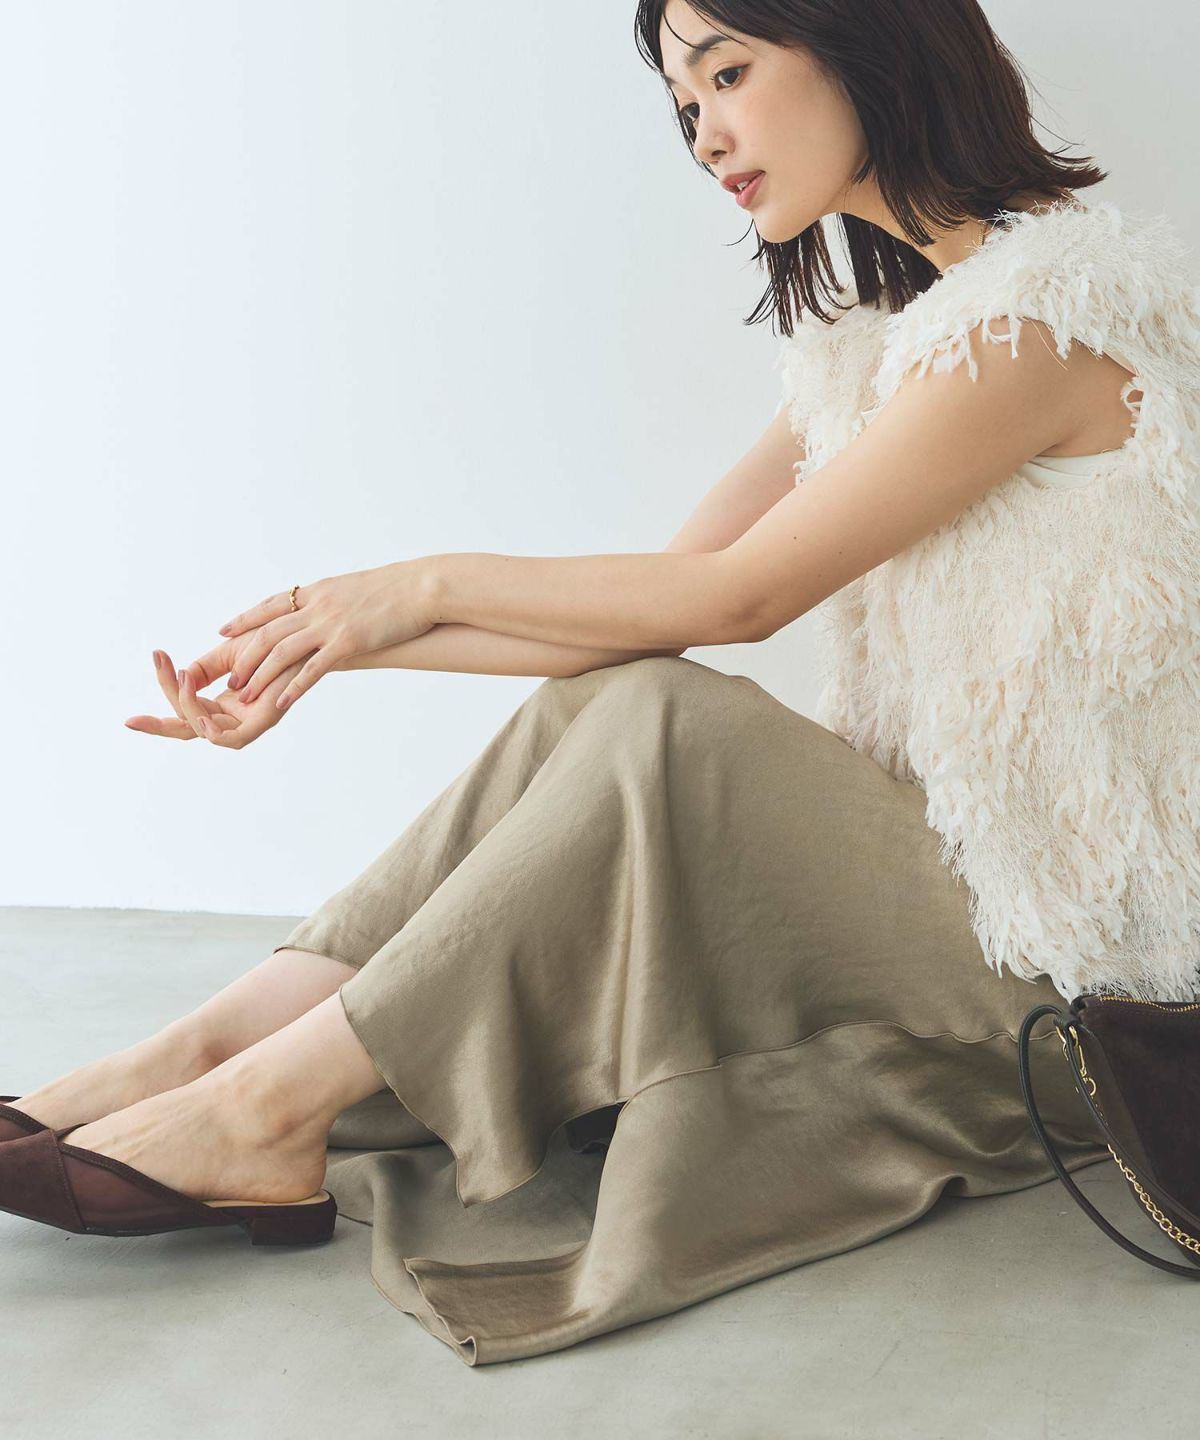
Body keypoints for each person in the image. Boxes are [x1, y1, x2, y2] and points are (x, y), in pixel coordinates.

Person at [4, 0, 1198, 1366]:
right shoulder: (880, 347)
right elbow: (651, 608)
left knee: (677, 724)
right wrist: (328, 645)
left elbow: (737, 602)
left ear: (873, 41)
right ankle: (200, 1056)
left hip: (1081, 994)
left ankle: (266, 1110)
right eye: (687, 105)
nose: (708, 137)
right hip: (951, 909)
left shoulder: (1044, 323)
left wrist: (424, 582)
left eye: (729, 74)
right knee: (619, 699)